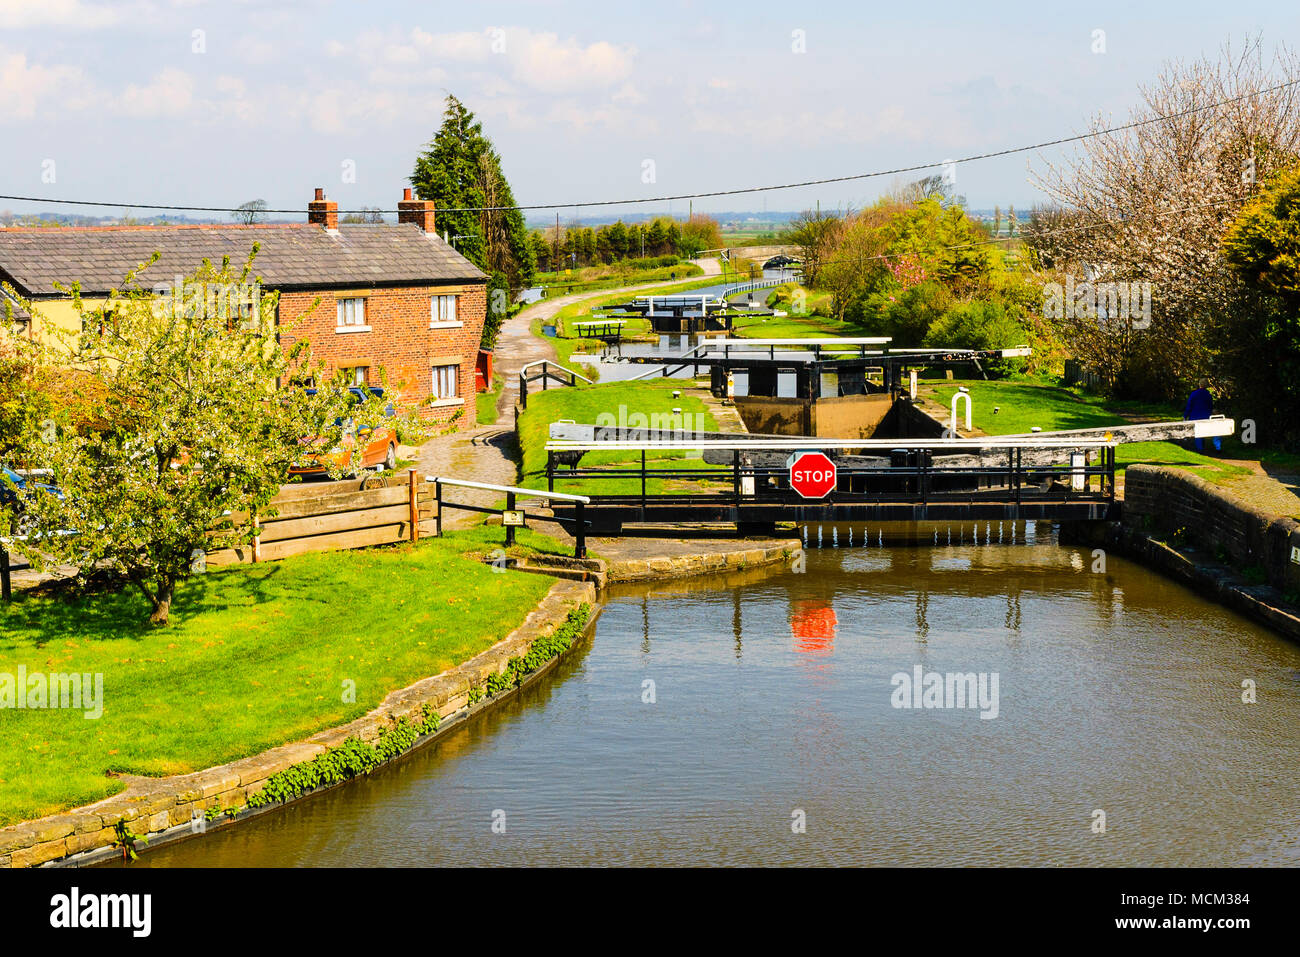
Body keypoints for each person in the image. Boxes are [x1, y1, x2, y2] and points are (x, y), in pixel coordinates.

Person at [1184, 378, 1221, 453]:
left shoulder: (1194, 394)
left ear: (1199, 384)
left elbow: (1189, 406)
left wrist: (1185, 415)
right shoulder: (1208, 395)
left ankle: (1200, 449)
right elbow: (1210, 406)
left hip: (1195, 416)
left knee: (1198, 433)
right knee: (1204, 431)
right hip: (1206, 416)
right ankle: (1211, 447)